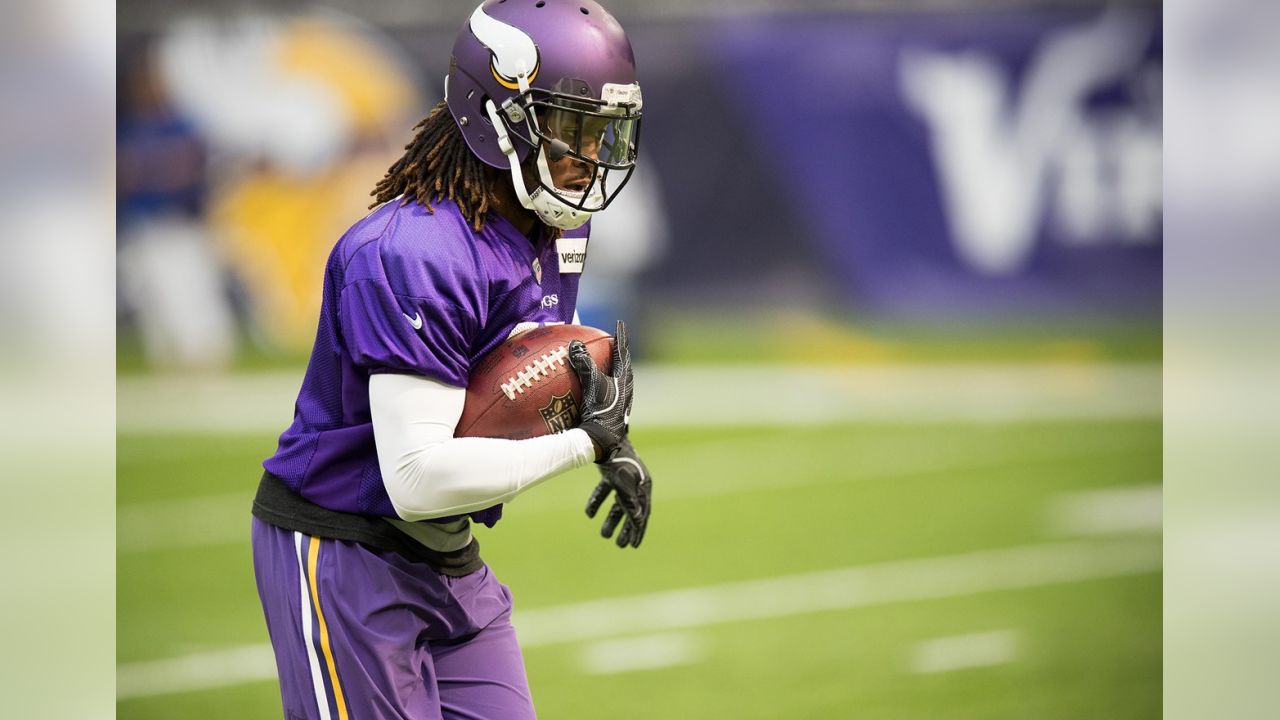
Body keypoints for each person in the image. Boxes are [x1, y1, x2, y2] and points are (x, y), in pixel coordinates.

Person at [249, 1, 651, 718]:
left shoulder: (552, 223)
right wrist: (582, 444)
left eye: (602, 131)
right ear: (495, 116)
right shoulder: (414, 253)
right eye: (569, 128)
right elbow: (416, 477)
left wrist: (603, 432)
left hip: (446, 555)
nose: (589, 155)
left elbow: (541, 354)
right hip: (346, 552)